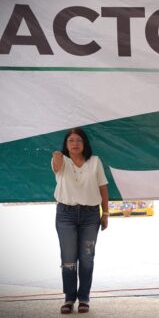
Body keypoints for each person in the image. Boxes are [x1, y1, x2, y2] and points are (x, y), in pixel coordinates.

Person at [51, 128, 109, 314]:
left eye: (79, 140)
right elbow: (56, 168)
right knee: (68, 260)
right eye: (71, 141)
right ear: (66, 144)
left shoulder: (95, 161)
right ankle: (69, 298)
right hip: (65, 214)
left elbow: (103, 187)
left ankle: (84, 298)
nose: (75, 143)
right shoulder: (61, 160)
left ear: (85, 144)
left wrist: (105, 213)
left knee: (86, 259)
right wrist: (57, 157)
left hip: (90, 216)